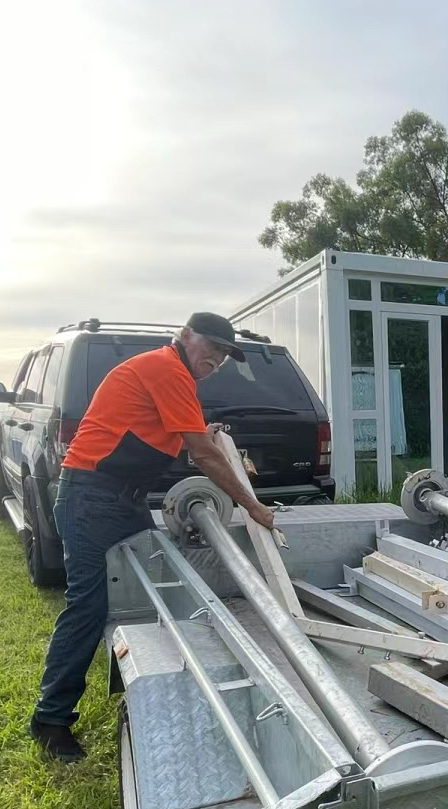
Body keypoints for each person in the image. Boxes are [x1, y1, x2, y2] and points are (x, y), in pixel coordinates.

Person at [30, 312, 277, 761]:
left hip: (122, 500)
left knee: (155, 589)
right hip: (92, 497)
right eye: (212, 348)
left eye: (224, 354)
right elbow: (200, 454)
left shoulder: (170, 373)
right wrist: (253, 505)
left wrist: (208, 432)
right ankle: (50, 720)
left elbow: (186, 434)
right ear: (185, 337)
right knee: (88, 604)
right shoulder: (166, 368)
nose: (217, 359)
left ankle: (159, 687)